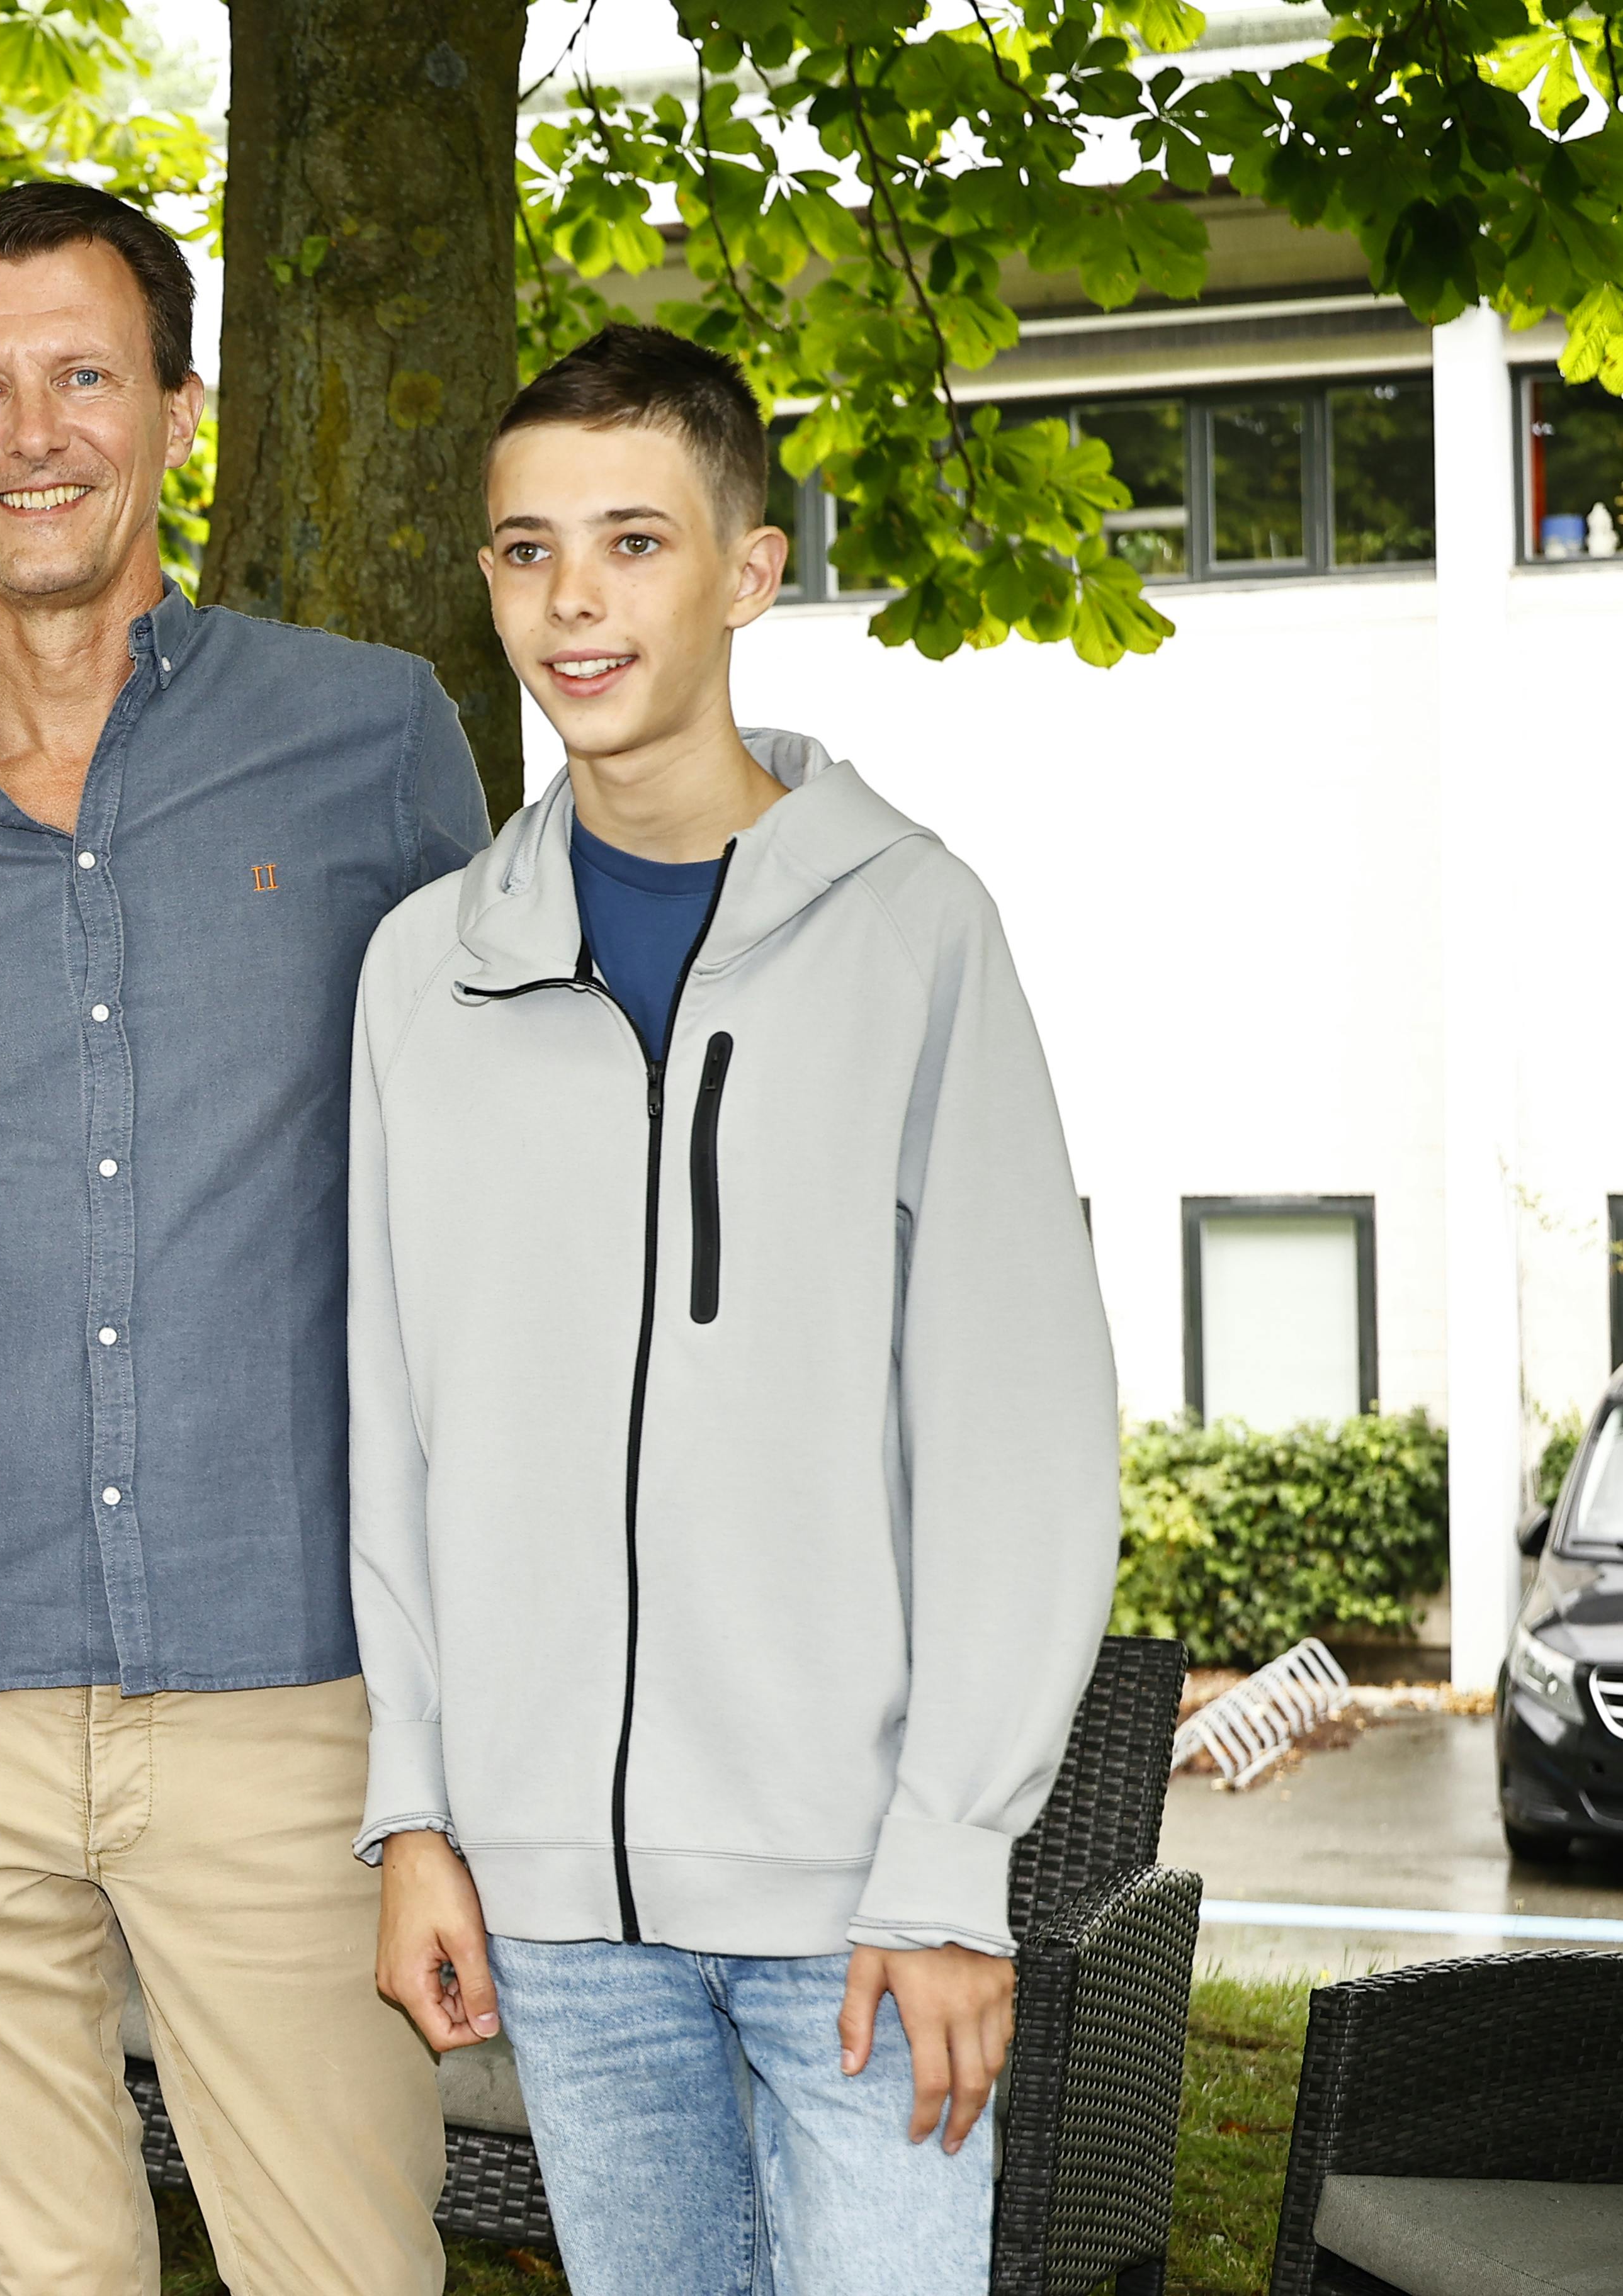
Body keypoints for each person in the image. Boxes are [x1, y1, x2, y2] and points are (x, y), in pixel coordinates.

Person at [0, 180, 484, 2292]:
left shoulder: (374, 739)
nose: (32, 430)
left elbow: (495, 1192)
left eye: (82, 374)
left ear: (176, 409)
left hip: (287, 1691)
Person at [349, 323, 1122, 2295]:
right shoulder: (424, 974)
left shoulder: (915, 930)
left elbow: (1020, 1437)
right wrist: (421, 1816)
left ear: (750, 572)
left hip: (862, 1904)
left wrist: (954, 1859)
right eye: (526, 552)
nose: (572, 603)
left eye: (633, 542)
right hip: (560, 1910)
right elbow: (395, 1425)